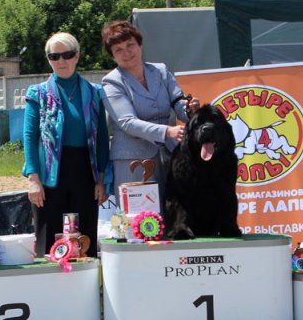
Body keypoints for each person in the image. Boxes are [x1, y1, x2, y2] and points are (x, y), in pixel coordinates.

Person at [23, 32, 109, 257]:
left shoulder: (95, 92)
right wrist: (33, 179)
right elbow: (30, 136)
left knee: (84, 236)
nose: (61, 61)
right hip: (49, 173)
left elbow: (102, 138)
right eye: (54, 56)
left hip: (84, 170)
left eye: (67, 55)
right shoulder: (37, 93)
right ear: (48, 59)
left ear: (77, 56)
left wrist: (101, 179)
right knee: (48, 236)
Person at [100, 20, 200, 205]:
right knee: (140, 222)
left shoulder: (161, 70)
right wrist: (166, 131)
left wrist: (189, 109)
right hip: (132, 162)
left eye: (130, 45)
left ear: (140, 44)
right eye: (118, 50)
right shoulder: (111, 82)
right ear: (112, 56)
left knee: (175, 210)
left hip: (170, 154)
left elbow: (178, 101)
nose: (127, 52)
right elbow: (127, 122)